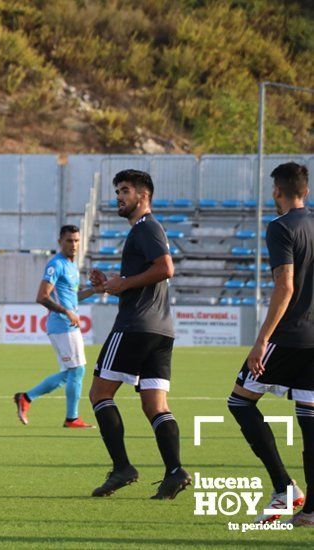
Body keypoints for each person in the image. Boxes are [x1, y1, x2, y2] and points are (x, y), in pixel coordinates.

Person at [86, 169, 190, 500]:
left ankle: (122, 468)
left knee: (100, 394)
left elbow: (165, 268)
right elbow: (147, 281)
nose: (119, 196)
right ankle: (174, 471)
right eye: (118, 190)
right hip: (161, 331)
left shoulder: (146, 227)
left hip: (134, 327)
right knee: (155, 405)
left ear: (142, 195)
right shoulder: (145, 231)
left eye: (125, 190)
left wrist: (123, 283)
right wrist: (112, 286)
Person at [227, 162, 313, 526]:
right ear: (305, 191)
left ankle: (284, 487)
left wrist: (261, 341)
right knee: (310, 421)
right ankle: (309, 513)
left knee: (239, 401)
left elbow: (285, 286)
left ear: (277, 191)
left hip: (289, 335)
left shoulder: (280, 227)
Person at [14, 225, 97, 428]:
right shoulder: (56, 264)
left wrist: (95, 290)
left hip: (67, 324)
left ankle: (26, 398)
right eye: (69, 240)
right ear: (60, 242)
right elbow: (42, 296)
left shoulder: (72, 267)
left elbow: (72, 297)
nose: (74, 245)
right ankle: (71, 418)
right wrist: (67, 312)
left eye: (77, 241)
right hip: (62, 325)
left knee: (70, 373)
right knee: (77, 370)